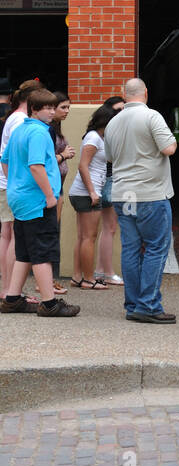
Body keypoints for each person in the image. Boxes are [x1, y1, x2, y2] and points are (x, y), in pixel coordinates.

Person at [0, 87, 80, 317]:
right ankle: (49, 303)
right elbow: (36, 165)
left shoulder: (19, 130)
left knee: (24, 250)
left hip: (20, 197)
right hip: (37, 200)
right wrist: (48, 195)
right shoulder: (39, 133)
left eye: (53, 107)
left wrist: (17, 181)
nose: (52, 112)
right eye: (47, 108)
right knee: (42, 250)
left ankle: (13, 298)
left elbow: (5, 161)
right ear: (34, 109)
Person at [104, 78, 177, 324]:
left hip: (123, 193)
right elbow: (169, 149)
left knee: (131, 249)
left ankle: (133, 304)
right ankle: (149, 305)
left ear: (123, 95)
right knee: (156, 248)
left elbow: (110, 157)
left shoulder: (113, 122)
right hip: (150, 193)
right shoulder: (152, 116)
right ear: (146, 92)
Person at [0, 79, 41, 299]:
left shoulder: (14, 117)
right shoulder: (21, 121)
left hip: (7, 184)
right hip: (12, 185)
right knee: (14, 236)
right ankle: (10, 289)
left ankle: (8, 288)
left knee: (7, 235)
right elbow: (15, 157)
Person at [68, 105, 116, 290]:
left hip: (83, 192)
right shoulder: (94, 137)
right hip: (88, 193)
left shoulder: (98, 138)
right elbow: (83, 166)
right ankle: (89, 279)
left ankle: (77, 277)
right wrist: (93, 192)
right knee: (89, 237)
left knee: (82, 237)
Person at [94, 95, 124, 284]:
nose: (121, 113)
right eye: (117, 110)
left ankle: (100, 270)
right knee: (109, 228)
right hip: (108, 180)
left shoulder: (108, 132)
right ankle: (106, 272)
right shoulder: (105, 133)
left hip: (110, 179)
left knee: (108, 228)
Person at [48, 90, 75, 294]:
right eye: (63, 107)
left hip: (58, 187)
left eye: (68, 107)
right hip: (51, 189)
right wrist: (63, 155)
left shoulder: (55, 128)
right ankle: (46, 282)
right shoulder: (47, 130)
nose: (67, 111)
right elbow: (44, 162)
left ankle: (47, 281)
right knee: (49, 234)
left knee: (52, 232)